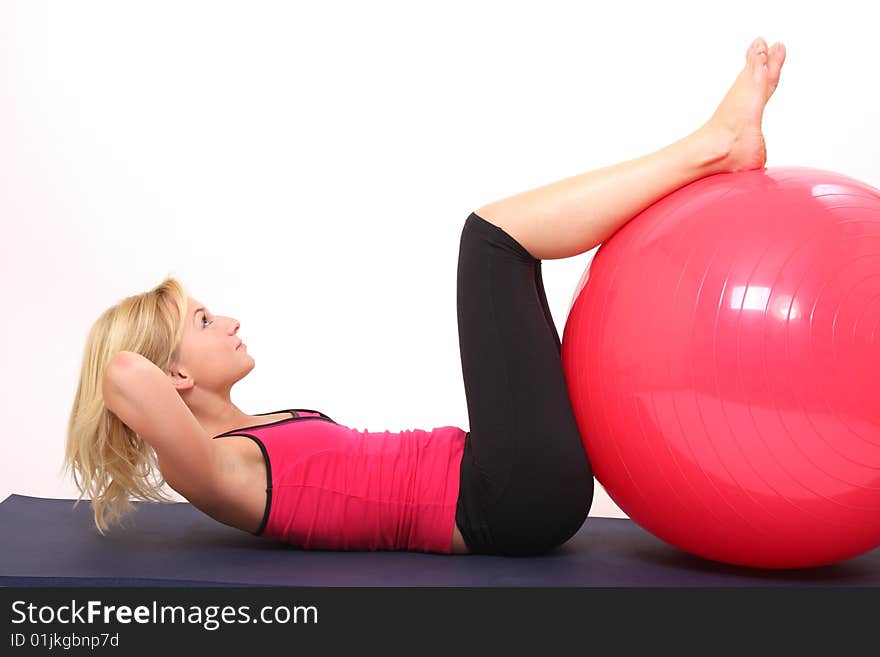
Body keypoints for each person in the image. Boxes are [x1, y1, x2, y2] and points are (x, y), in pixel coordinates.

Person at [64, 36, 786, 556]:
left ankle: (712, 149)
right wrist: (140, 355)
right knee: (491, 242)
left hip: (507, 480)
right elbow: (122, 372)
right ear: (176, 373)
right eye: (202, 319)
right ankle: (711, 147)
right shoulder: (218, 469)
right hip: (505, 497)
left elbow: (142, 373)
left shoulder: (251, 433)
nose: (230, 320)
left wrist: (169, 345)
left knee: (500, 249)